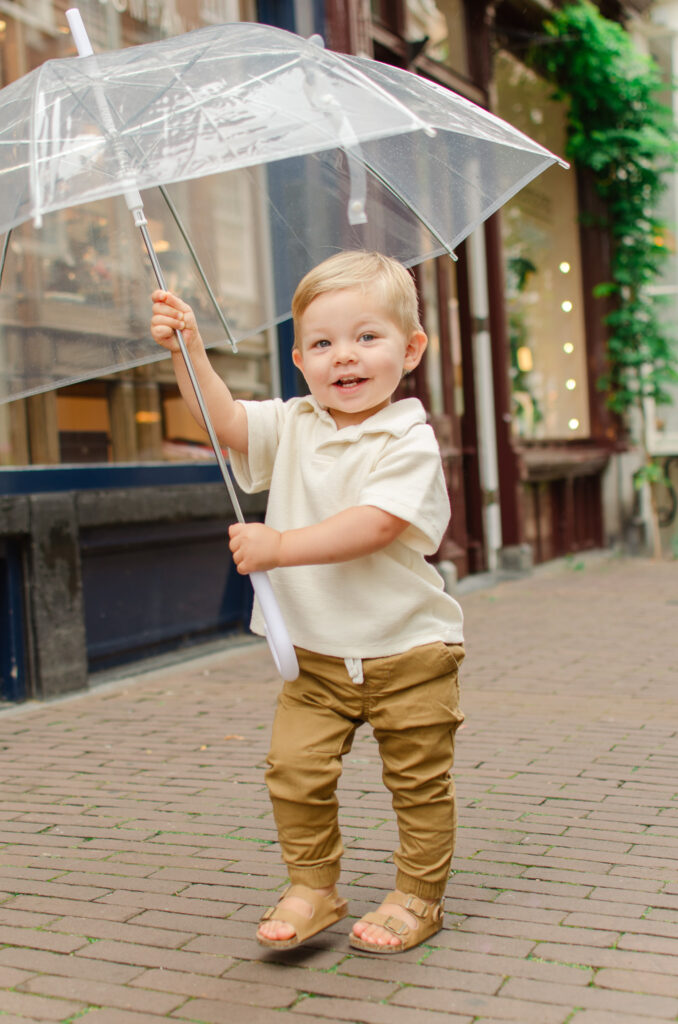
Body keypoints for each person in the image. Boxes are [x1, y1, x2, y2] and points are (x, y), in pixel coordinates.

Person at [150, 250, 465, 954]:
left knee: (416, 784)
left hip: (409, 650)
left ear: (410, 349)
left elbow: (376, 524)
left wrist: (278, 546)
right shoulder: (295, 422)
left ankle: (419, 894)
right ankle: (314, 885)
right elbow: (224, 421)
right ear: (299, 358)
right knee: (293, 774)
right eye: (322, 344)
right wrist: (189, 349)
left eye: (366, 337)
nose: (343, 358)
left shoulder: (408, 438)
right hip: (315, 658)